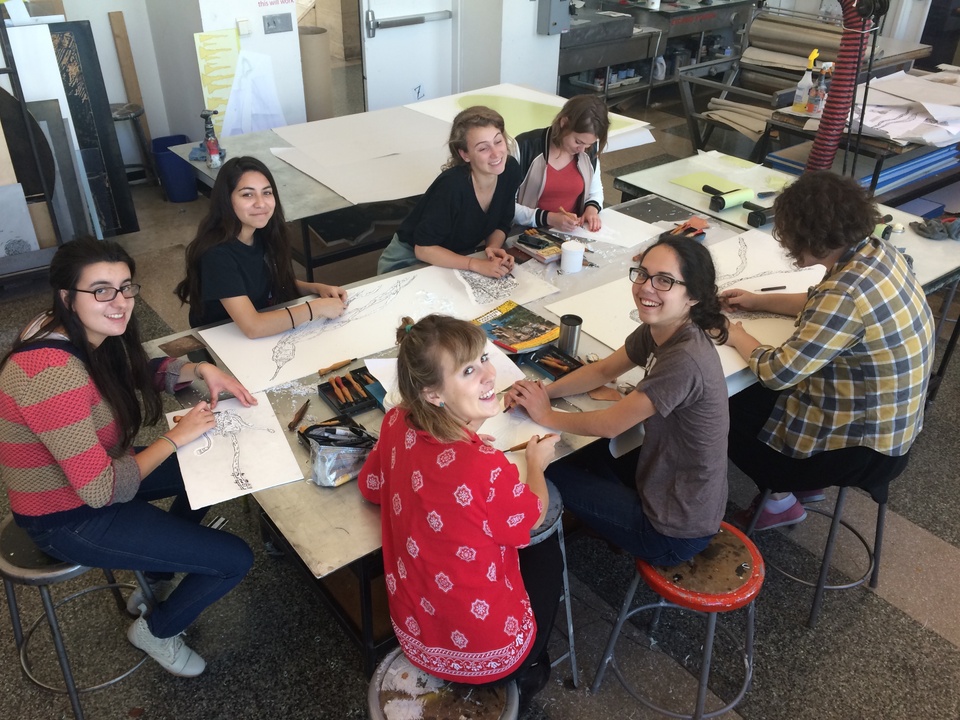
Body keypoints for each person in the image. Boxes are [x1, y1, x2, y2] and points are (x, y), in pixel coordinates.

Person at [0, 237, 256, 677]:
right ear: (67, 296)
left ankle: (159, 572)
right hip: (68, 515)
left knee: (208, 466)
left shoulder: (71, 327)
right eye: (101, 290)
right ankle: (156, 631)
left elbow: (137, 369)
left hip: (95, 471)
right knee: (235, 559)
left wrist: (200, 370)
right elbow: (100, 490)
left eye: (125, 287)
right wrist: (176, 439)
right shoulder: (50, 372)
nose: (119, 302)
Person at [358, 314, 563, 704]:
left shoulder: (396, 421)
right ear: (433, 394)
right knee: (545, 548)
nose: (489, 374)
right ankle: (529, 667)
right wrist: (537, 463)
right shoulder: (485, 464)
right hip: (486, 655)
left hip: (415, 633)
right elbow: (531, 515)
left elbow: (372, 488)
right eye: (469, 370)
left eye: (484, 357)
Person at [721, 171, 935, 530]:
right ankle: (802, 485)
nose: (786, 243)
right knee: (752, 395)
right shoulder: (877, 253)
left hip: (863, 450)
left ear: (810, 237)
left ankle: (780, 500)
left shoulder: (845, 294)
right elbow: (821, 303)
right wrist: (759, 300)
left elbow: (778, 373)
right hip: (893, 432)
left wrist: (733, 333)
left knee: (719, 406)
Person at [506, 234, 729, 565]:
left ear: (693, 296)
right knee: (574, 455)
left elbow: (612, 424)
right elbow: (603, 370)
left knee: (542, 469)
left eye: (664, 281)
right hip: (669, 489)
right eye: (642, 273)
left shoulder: (685, 359)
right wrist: (543, 393)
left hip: (671, 530)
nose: (646, 287)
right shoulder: (662, 327)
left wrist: (546, 414)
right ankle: (605, 522)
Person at [176, 156, 347, 337]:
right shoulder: (216, 255)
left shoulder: (260, 232)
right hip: (224, 340)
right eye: (247, 194)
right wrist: (314, 308)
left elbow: (271, 282)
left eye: (267, 192)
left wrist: (315, 288)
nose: (261, 203)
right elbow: (253, 327)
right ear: (226, 200)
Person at [377, 106, 520, 277]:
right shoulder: (452, 186)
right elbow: (424, 249)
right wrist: (475, 264)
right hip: (409, 261)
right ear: (465, 155)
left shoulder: (509, 169)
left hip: (455, 258)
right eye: (483, 148)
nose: (496, 153)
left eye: (498, 141)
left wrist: (493, 250)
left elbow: (502, 223)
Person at [513, 94, 609, 232]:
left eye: (589, 144)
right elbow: (506, 205)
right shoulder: (524, 147)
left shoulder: (588, 150)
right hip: (526, 233)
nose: (582, 150)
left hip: (572, 233)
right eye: (578, 142)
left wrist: (591, 209)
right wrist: (548, 218)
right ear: (564, 123)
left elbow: (595, 191)